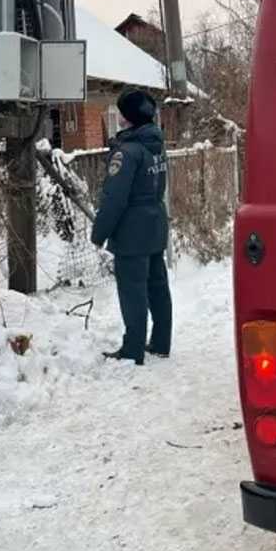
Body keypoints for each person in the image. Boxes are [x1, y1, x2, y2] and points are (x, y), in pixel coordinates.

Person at [91, 89, 172, 366]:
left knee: (133, 289)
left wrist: (99, 233)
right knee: (157, 285)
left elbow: (115, 198)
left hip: (132, 231)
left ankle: (133, 349)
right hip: (156, 223)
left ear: (128, 117)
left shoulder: (127, 153)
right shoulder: (156, 145)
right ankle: (161, 342)